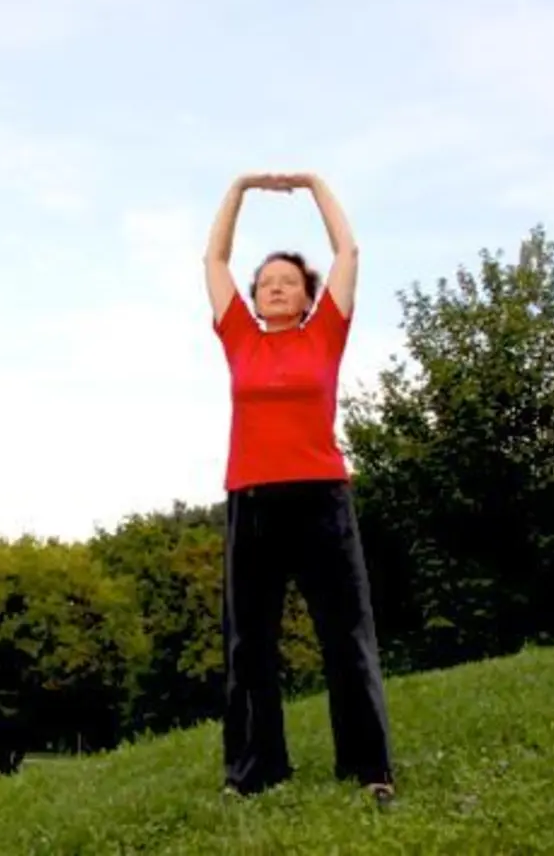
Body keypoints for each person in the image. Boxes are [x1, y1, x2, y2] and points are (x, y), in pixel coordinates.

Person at [203, 170, 396, 806]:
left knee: (346, 634)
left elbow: (349, 252)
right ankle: (256, 770)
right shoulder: (239, 339)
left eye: (288, 281)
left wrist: (313, 185)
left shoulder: (325, 334)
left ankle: (369, 767)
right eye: (266, 284)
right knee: (249, 641)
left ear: (308, 297)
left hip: (322, 500)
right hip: (252, 501)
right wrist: (240, 189)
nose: (276, 288)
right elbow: (215, 257)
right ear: (254, 299)